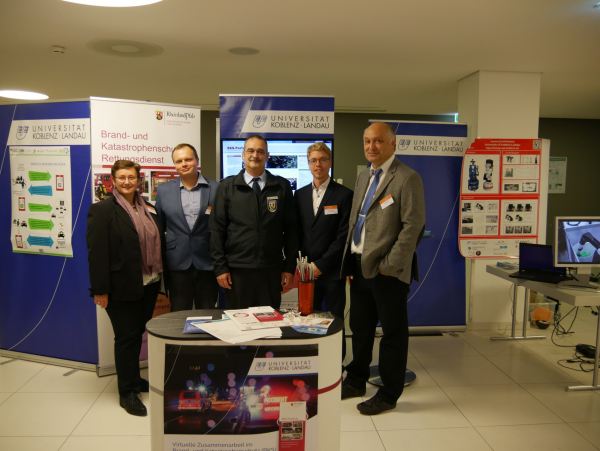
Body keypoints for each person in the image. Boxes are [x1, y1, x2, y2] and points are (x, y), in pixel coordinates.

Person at [340, 122, 425, 415]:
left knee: (392, 334)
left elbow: (413, 226)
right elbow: (356, 220)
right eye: (367, 141)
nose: (371, 146)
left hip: (387, 271)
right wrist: (350, 259)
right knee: (360, 328)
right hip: (360, 266)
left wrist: (390, 266)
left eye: (377, 141)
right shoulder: (364, 175)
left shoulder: (407, 178)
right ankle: (356, 381)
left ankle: (388, 394)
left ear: (392, 143)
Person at [86, 160, 165, 416]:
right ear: (113, 180)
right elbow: (97, 253)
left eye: (131, 177)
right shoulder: (102, 210)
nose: (127, 182)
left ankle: (133, 378)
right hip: (120, 286)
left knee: (136, 333)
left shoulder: (147, 207)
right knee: (126, 337)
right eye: (122, 177)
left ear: (138, 180)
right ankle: (127, 392)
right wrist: (100, 289)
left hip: (149, 283)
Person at [209, 134, 297, 309]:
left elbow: (291, 230)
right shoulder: (227, 187)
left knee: (270, 322)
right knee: (239, 322)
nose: (255, 155)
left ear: (267, 156)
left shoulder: (281, 186)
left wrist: (289, 267)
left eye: (260, 151)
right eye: (250, 151)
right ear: (243, 154)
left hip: (271, 269)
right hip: (237, 271)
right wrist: (220, 268)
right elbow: (216, 230)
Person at [294, 141, 353, 359]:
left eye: (322, 160)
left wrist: (321, 265)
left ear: (330, 162)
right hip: (307, 272)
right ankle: (313, 362)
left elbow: (343, 237)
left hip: (333, 271)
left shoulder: (344, 195)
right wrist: (304, 266)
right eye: (313, 160)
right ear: (308, 164)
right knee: (309, 319)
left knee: (335, 319)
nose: (317, 164)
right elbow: (297, 233)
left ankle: (336, 363)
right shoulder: (299, 195)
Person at [155, 143, 219, 311]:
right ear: (175, 164)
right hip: (177, 263)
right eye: (179, 161)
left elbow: (221, 225)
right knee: (178, 313)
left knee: (207, 313)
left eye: (188, 159)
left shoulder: (216, 188)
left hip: (207, 261)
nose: (184, 164)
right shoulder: (163, 190)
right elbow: (160, 226)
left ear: (197, 160)